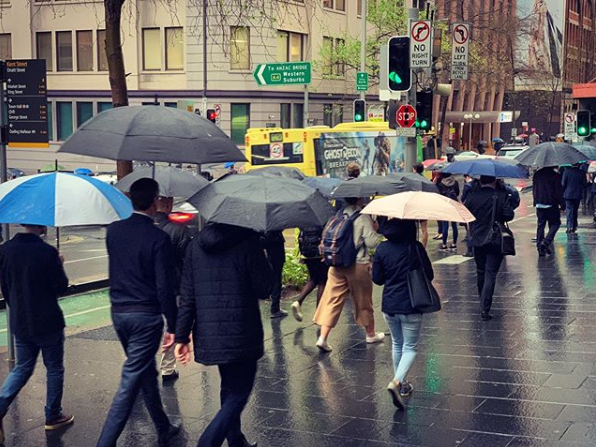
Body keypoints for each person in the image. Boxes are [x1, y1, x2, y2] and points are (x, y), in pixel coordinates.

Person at [97, 178, 179, 447]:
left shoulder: (114, 231)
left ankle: (163, 427)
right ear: (155, 201)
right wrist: (174, 325)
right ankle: (105, 442)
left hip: (119, 313)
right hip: (146, 317)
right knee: (130, 380)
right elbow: (164, 286)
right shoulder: (159, 238)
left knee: (144, 372)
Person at [175, 223, 272, 447]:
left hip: (210, 331)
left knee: (229, 385)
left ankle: (236, 440)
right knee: (240, 391)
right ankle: (208, 442)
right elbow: (264, 288)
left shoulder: (194, 245)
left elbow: (187, 294)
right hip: (242, 329)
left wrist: (181, 337)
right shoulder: (249, 242)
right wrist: (263, 257)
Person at [0, 224, 72, 443]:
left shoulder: (5, 250)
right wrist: (59, 264)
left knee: (22, 367)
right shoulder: (47, 252)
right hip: (48, 321)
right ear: (40, 224)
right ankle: (52, 415)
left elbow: (5, 287)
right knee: (54, 368)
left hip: (20, 321)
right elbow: (61, 287)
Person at [372, 219, 433, 410]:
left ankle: (404, 386)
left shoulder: (382, 249)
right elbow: (429, 275)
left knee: (397, 344)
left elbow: (377, 279)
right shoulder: (415, 247)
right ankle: (397, 382)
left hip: (389, 305)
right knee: (411, 347)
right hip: (412, 304)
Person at [313, 197, 384, 352]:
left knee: (332, 299)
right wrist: (375, 228)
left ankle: (322, 337)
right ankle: (370, 334)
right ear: (359, 199)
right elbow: (372, 243)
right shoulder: (363, 216)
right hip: (357, 265)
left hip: (336, 264)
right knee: (363, 300)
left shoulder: (338, 214)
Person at [464, 175, 515, 321]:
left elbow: (466, 215)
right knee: (491, 273)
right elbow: (508, 215)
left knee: (480, 271)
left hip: (477, 238)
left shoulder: (472, 195)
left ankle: (482, 301)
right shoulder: (500, 194)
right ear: (494, 180)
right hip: (495, 239)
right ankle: (485, 308)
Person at [154, 196, 193, 382]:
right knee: (172, 325)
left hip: (146, 288)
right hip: (173, 286)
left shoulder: (143, 229)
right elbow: (187, 261)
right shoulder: (178, 230)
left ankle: (140, 366)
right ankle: (167, 368)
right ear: (168, 204)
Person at [291, 226, 329, 322]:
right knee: (322, 282)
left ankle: (298, 301)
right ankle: (318, 314)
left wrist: (300, 254)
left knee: (312, 279)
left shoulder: (305, 218)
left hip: (307, 253)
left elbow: (299, 236)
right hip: (319, 254)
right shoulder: (322, 218)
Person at [533, 168, 564, 255]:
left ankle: (540, 247)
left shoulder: (537, 174)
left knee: (541, 225)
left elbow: (534, 188)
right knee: (555, 224)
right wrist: (562, 204)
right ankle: (546, 242)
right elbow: (559, 192)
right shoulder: (555, 176)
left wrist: (535, 200)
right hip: (551, 203)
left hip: (539, 203)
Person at [262, 231, 288, 318]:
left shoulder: (265, 229)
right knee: (277, 281)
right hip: (276, 257)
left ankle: (275, 307)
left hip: (271, 257)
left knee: (274, 280)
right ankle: (275, 309)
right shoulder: (274, 230)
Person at [437, 173, 460, 250]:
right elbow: (457, 193)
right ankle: (454, 243)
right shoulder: (455, 182)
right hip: (454, 205)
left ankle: (444, 244)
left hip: (444, 206)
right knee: (454, 226)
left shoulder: (440, 184)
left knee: (445, 226)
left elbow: (438, 195)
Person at [562, 163, 586, 233]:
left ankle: (569, 226)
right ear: (578, 164)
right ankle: (574, 225)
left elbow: (563, 183)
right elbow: (584, 184)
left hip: (568, 194)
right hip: (577, 194)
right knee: (575, 210)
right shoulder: (581, 172)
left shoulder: (566, 172)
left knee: (569, 210)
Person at [460, 175, 477, 257]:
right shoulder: (479, 184)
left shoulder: (468, 185)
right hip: (479, 209)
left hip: (470, 209)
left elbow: (463, 198)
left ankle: (470, 250)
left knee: (470, 230)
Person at [413, 163, 429, 247]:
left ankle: (414, 246)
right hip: (423, 206)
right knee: (424, 229)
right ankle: (423, 247)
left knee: (413, 229)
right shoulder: (425, 180)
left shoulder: (412, 179)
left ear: (414, 169)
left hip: (414, 206)